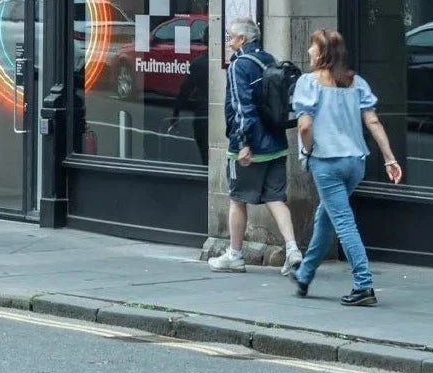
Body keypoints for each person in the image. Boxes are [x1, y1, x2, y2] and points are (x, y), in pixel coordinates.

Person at [288, 29, 401, 307]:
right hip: (355, 163)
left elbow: (304, 125)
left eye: (313, 47)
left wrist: (309, 150)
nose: (309, 52)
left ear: (323, 53)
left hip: (327, 163)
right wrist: (390, 159)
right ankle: (304, 273)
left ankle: (364, 285)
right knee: (326, 216)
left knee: (343, 222)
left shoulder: (308, 83)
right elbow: (373, 122)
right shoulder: (356, 82)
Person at [209, 18, 302, 275]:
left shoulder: (240, 65)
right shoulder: (269, 59)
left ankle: (235, 254)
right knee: (275, 197)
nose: (229, 42)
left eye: (231, 37)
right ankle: (292, 249)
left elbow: (242, 107)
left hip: (253, 145)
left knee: (237, 199)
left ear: (242, 39)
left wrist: (243, 143)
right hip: (277, 142)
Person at [169, 50, 208, 165]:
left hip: (202, 113)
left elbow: (185, 90)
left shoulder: (199, 63)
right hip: (207, 111)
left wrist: (175, 114)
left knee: (204, 151)